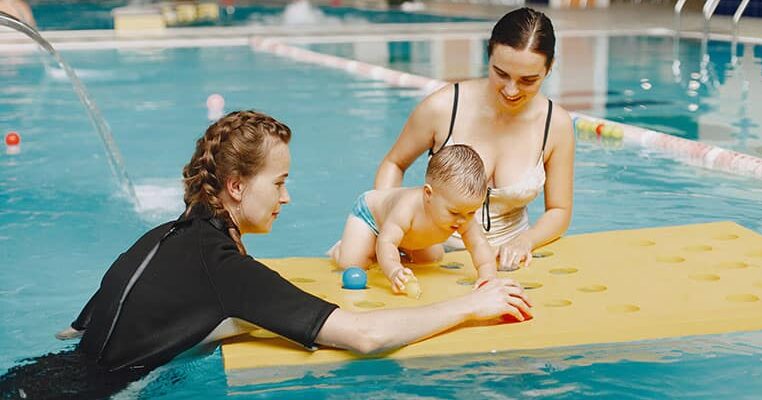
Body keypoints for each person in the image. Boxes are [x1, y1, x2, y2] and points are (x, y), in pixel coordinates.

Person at [1, 111, 531, 399]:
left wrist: (212, 325)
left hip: (37, 376)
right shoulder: (228, 270)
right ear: (235, 186)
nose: (286, 197)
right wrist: (470, 307)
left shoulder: (164, 235)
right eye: (278, 183)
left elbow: (75, 331)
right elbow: (366, 337)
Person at [374, 8, 575, 271]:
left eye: (528, 80)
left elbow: (559, 210)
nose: (512, 90)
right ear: (488, 55)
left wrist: (526, 241)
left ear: (549, 68)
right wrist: (390, 229)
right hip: (433, 255)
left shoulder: (556, 125)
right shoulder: (444, 107)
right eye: (501, 73)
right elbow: (394, 163)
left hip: (511, 260)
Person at [330, 144, 497, 294]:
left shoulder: (462, 212)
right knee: (353, 262)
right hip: (371, 216)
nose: (463, 220)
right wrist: (394, 270)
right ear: (428, 194)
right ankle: (343, 249)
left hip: (405, 234)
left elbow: (478, 244)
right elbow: (386, 242)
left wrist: (487, 275)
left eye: (471, 213)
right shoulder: (406, 208)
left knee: (431, 260)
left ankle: (385, 252)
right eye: (454, 212)